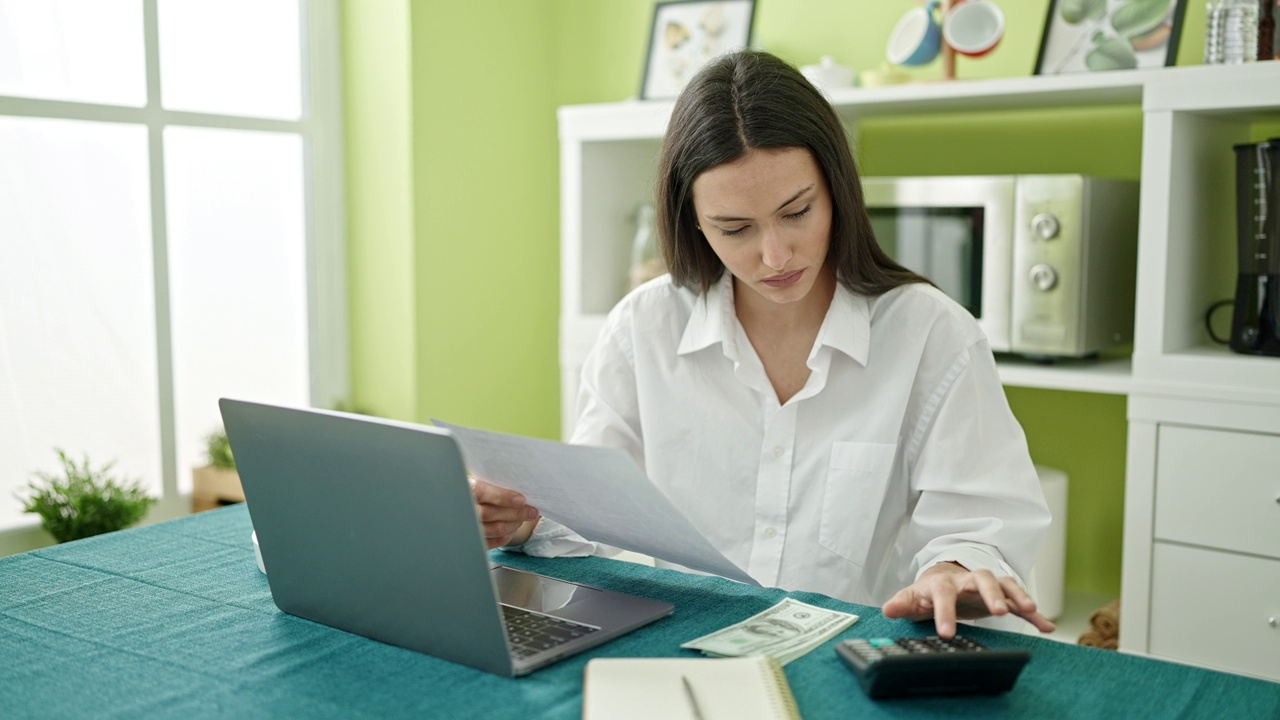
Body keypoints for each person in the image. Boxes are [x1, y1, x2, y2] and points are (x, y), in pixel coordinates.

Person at [471, 49, 1055, 639]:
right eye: (735, 229)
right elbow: (595, 521)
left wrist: (954, 571)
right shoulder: (641, 329)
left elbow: (982, 525)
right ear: (692, 219)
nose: (775, 256)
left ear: (836, 190)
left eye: (796, 212)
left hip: (847, 656)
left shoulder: (932, 335)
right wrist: (521, 522)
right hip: (678, 648)